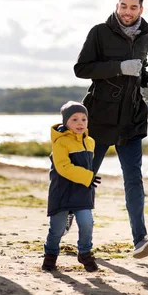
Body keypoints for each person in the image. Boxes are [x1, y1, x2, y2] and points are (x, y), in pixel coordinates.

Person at [73, 0, 148, 259]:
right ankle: (69, 220)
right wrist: (119, 67)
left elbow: (140, 68)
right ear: (117, 6)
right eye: (123, 6)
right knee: (84, 178)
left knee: (134, 179)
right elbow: (82, 69)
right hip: (99, 118)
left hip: (131, 120)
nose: (127, 11)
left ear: (141, 10)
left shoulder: (145, 37)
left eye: (133, 7)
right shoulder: (99, 32)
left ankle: (139, 239)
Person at [42, 101, 101, 272]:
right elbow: (63, 167)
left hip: (83, 191)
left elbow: (88, 165)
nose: (80, 123)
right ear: (65, 122)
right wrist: (88, 177)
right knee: (57, 230)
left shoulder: (90, 142)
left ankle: (84, 253)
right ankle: (51, 255)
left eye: (83, 119)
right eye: (74, 119)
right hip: (62, 192)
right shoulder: (60, 142)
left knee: (87, 222)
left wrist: (88, 180)